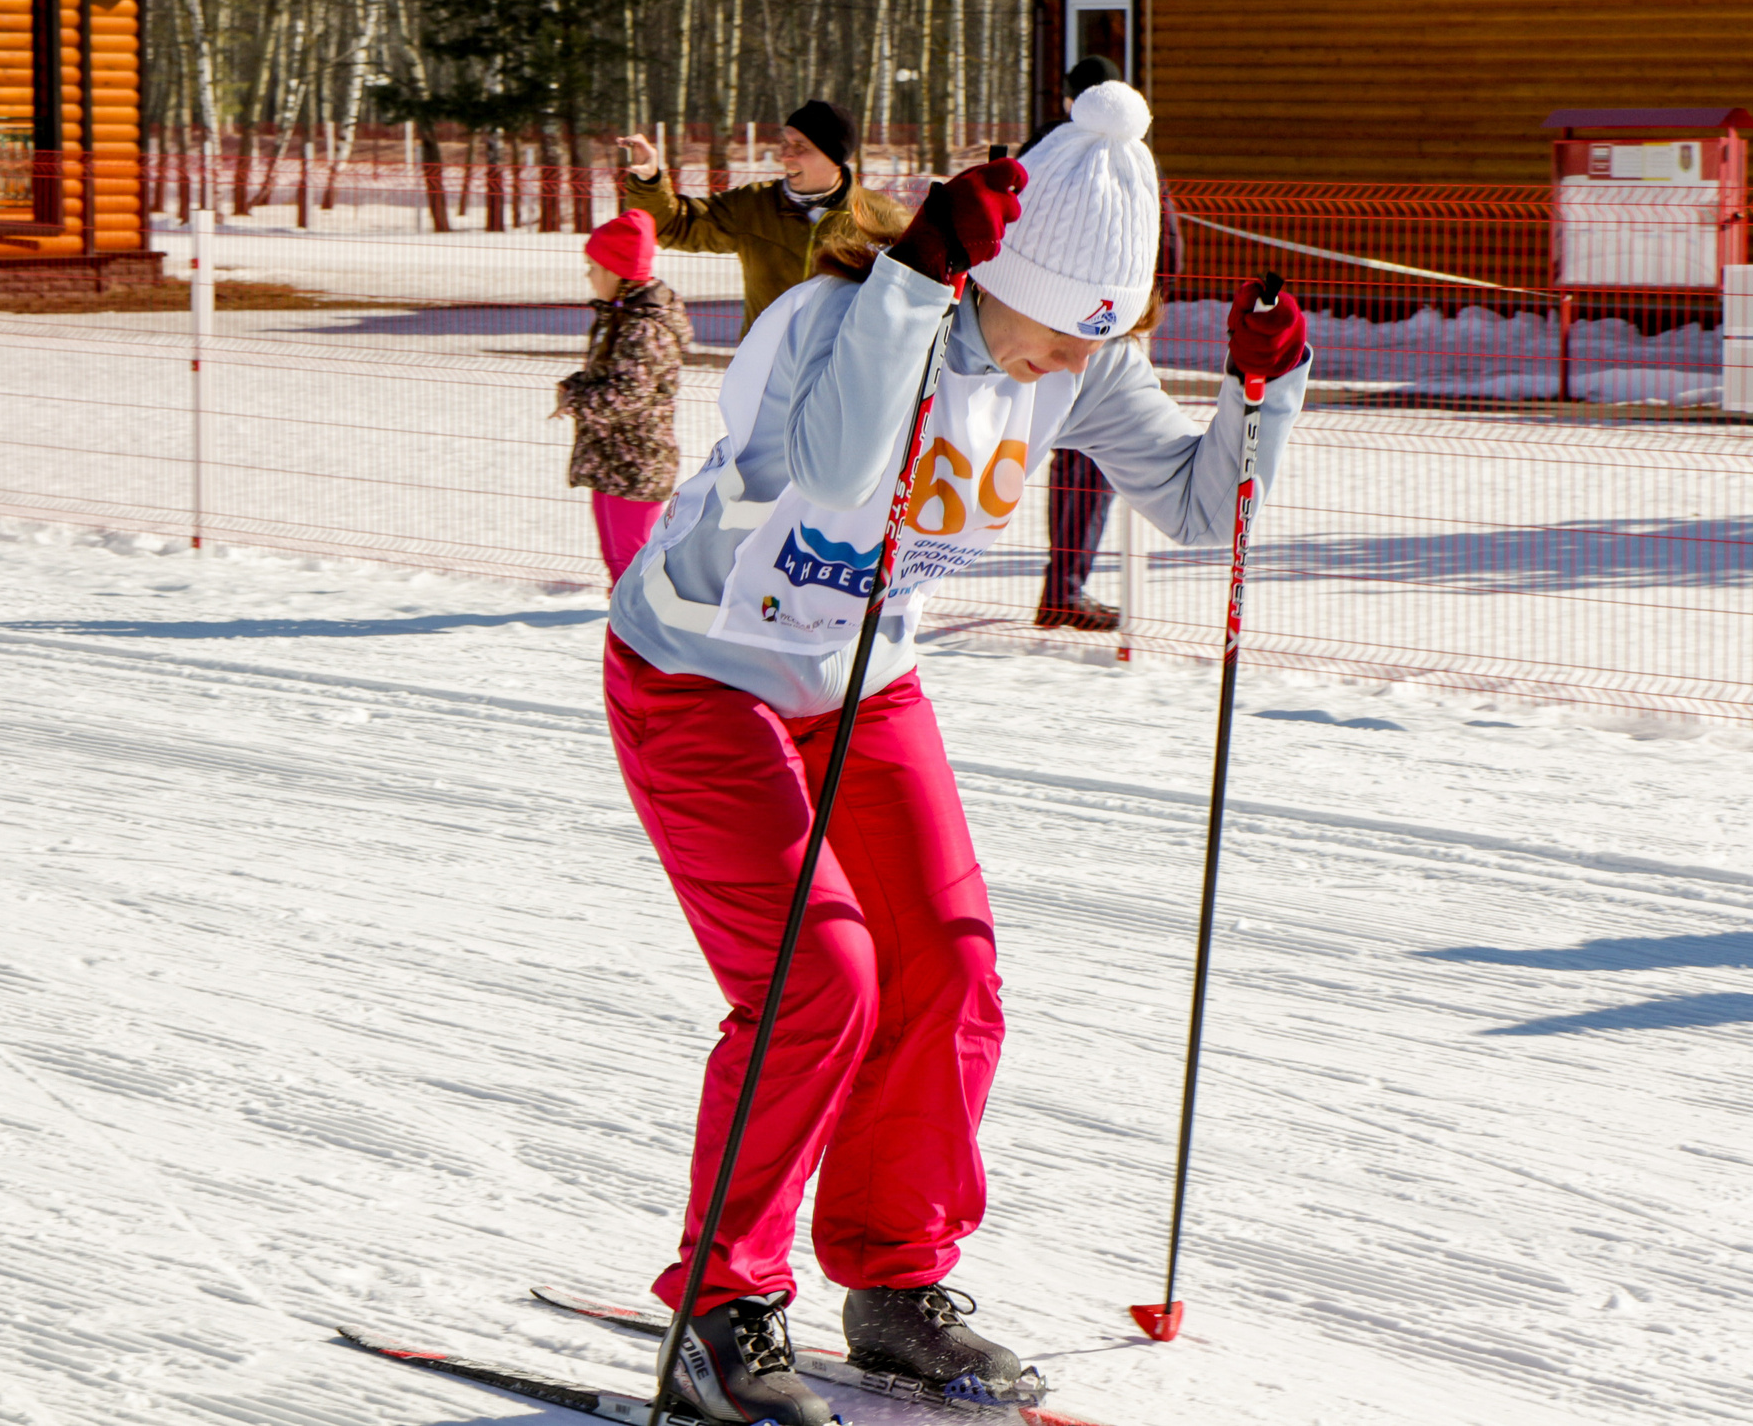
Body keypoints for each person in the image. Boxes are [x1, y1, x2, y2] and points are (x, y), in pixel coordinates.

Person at [603, 80, 1310, 1425]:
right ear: (993, 272)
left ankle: (891, 1278)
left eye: (1106, 334)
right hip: (700, 672)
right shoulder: (832, 317)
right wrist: (916, 285)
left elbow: (1211, 510)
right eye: (1062, 327)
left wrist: (1261, 392)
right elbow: (835, 462)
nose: (1074, 364)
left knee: (949, 963)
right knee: (824, 975)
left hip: (861, 683)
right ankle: (723, 1300)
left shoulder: (1080, 359)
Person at [1021, 56, 1187, 631]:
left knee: (988, 450)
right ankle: (1065, 587)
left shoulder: (1038, 151)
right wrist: (1146, 307)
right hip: (1101, 332)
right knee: (1087, 459)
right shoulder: (1129, 158)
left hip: (1017, 327)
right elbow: (1166, 242)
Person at [616, 100, 863, 331]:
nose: (786, 155)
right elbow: (674, 225)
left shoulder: (880, 220)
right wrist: (649, 181)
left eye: (800, 146)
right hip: (766, 369)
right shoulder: (754, 206)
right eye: (785, 143)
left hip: (840, 372)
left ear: (834, 157)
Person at [554, 209, 693, 585]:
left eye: (593, 267)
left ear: (617, 270)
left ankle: (639, 628)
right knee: (617, 560)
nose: (588, 275)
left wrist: (579, 399)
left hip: (637, 465)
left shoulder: (644, 328)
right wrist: (576, 384)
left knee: (634, 562)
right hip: (611, 460)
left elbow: (628, 394)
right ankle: (623, 618)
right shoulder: (618, 316)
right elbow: (609, 375)